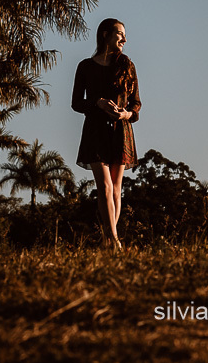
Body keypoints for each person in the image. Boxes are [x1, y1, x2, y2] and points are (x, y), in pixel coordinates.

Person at [72, 17, 140, 248]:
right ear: (105, 34)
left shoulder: (127, 65)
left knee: (116, 188)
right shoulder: (85, 67)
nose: (124, 38)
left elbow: (136, 105)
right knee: (105, 186)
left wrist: (124, 114)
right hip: (94, 130)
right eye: (120, 33)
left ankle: (107, 239)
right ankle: (114, 239)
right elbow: (76, 103)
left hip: (120, 130)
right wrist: (98, 103)